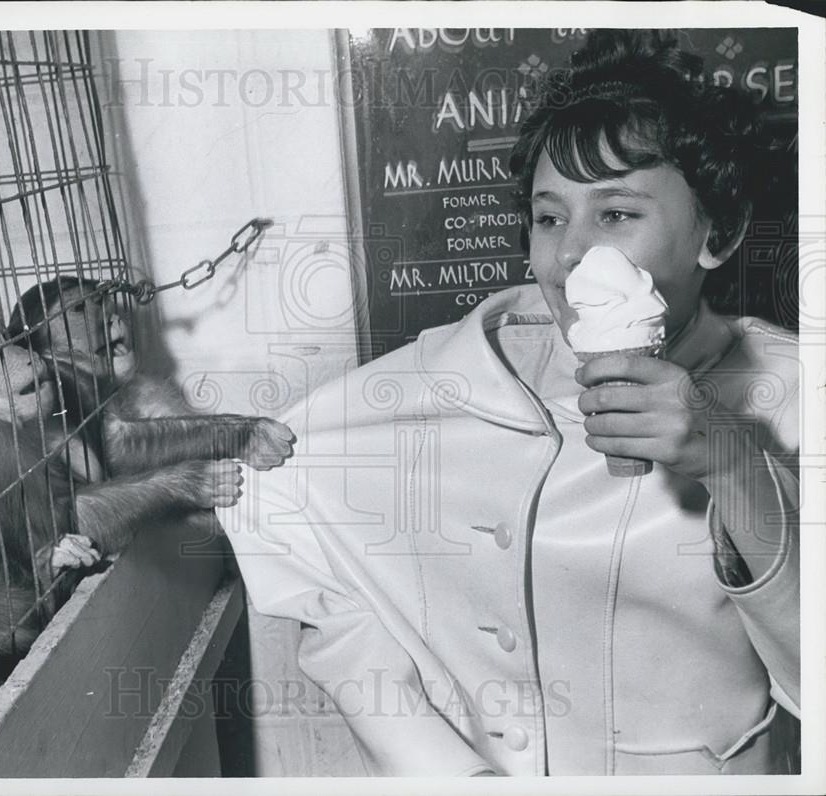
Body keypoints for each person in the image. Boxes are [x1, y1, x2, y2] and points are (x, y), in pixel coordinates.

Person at [216, 29, 799, 776]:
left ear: (718, 232)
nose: (569, 254)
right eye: (549, 216)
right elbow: (337, 596)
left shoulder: (796, 392)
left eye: (616, 214)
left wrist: (733, 463)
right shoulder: (425, 385)